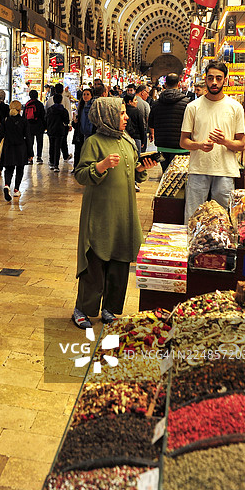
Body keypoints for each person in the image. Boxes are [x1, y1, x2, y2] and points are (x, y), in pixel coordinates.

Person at [72, 97, 158, 329]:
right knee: (95, 262)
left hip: (124, 212)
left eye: (124, 113)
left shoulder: (128, 141)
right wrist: (100, 166)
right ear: (107, 116)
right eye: (121, 113)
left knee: (120, 262)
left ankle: (110, 308)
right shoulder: (93, 142)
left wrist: (141, 168)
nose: (126, 117)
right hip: (100, 212)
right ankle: (83, 308)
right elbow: (80, 175)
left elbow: (132, 174)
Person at [180, 60, 245, 223]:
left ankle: (223, 250)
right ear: (205, 79)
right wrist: (200, 145)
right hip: (198, 170)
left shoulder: (235, 107)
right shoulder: (193, 107)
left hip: (225, 172)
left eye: (218, 78)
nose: (214, 82)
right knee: (192, 219)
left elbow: (241, 144)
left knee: (224, 221)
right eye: (210, 78)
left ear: (225, 79)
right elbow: (183, 142)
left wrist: (224, 141)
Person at [148, 73, 189, 172]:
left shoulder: (156, 104)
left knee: (165, 177)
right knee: (179, 180)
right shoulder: (187, 103)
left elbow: (151, 123)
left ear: (165, 85)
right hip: (182, 148)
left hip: (162, 147)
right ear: (179, 84)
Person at [0, 99, 32, 200]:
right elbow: (28, 137)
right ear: (20, 109)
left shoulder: (6, 120)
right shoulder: (23, 121)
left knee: (9, 168)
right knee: (20, 169)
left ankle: (7, 185)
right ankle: (16, 189)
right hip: (21, 148)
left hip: (8, 147)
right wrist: (30, 152)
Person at [46, 82, 72, 161]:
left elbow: (46, 111)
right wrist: (69, 123)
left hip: (52, 125)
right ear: (63, 91)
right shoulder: (66, 99)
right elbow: (68, 111)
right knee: (63, 141)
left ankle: (52, 159)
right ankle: (65, 156)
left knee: (52, 143)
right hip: (62, 125)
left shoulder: (50, 99)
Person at [22, 89, 45, 163]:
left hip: (29, 126)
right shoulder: (40, 104)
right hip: (39, 125)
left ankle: (30, 157)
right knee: (39, 142)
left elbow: (24, 116)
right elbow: (43, 116)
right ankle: (39, 157)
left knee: (30, 142)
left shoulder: (27, 104)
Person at [72, 88, 93, 170]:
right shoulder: (80, 107)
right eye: (84, 94)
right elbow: (76, 122)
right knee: (78, 150)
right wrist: (75, 121)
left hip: (89, 132)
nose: (85, 96)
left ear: (91, 96)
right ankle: (77, 167)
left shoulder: (92, 107)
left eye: (88, 94)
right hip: (80, 132)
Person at [123, 92, 146, 156]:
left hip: (125, 138)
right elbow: (141, 126)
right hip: (136, 138)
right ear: (130, 102)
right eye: (135, 100)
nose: (137, 102)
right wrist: (143, 140)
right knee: (136, 159)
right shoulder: (137, 111)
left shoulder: (123, 111)